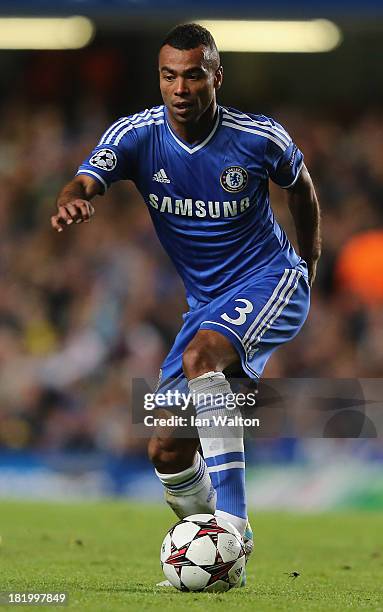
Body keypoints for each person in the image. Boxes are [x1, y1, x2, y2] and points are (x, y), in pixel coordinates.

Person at [52, 23, 321, 586]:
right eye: (169, 75)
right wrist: (73, 202)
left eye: (194, 74)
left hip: (269, 277)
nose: (180, 87)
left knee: (202, 358)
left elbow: (302, 190)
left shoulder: (257, 138)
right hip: (204, 305)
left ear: (216, 77)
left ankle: (235, 524)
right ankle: (220, 562)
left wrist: (309, 268)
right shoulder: (137, 135)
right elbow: (81, 181)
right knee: (167, 449)